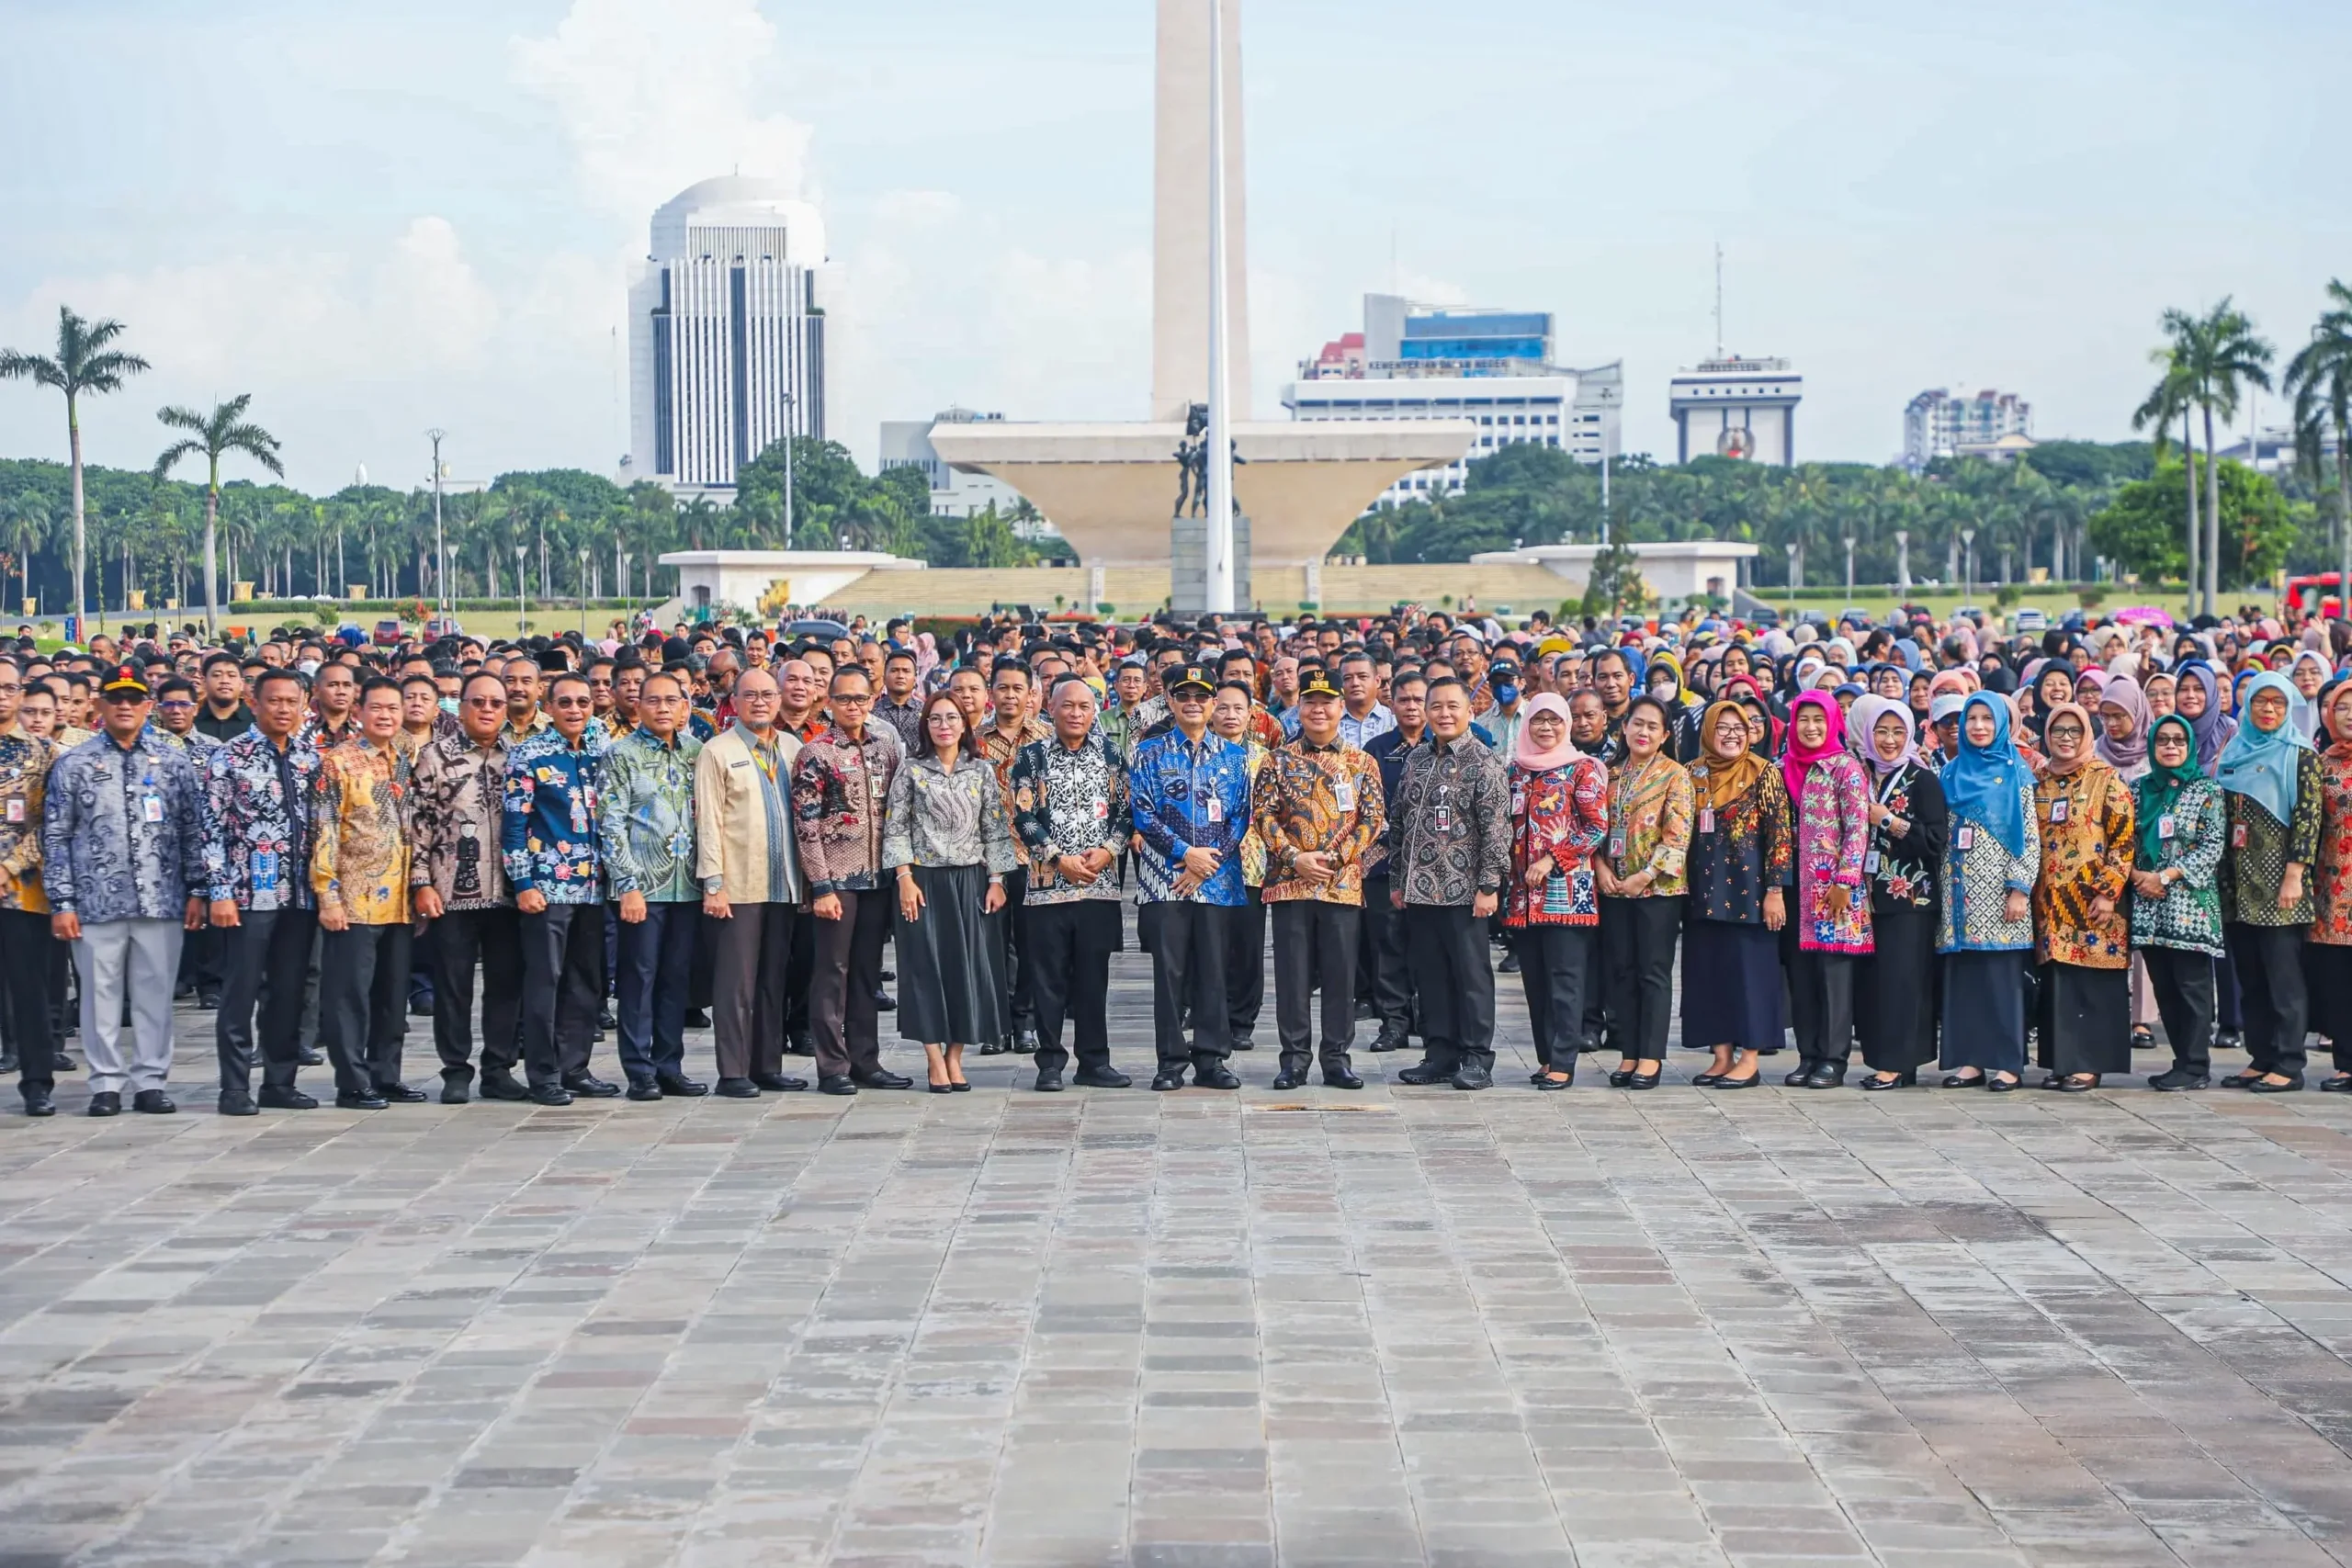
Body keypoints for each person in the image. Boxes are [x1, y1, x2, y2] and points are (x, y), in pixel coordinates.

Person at [41, 667, 209, 1116]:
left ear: (148, 704)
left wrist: (198, 888)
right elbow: (55, 837)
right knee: (99, 996)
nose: (125, 706)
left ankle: (151, 1080)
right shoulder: (74, 764)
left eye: (134, 698)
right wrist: (62, 901)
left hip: (162, 898)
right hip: (95, 903)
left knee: (155, 994)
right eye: (115, 698)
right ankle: (106, 1083)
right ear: (99, 705)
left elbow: (193, 830)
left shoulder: (172, 762)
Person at [1253, 668, 1386, 1090]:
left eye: (1326, 701)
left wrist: (1332, 858)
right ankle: (1293, 1059)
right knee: (1292, 976)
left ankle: (1336, 1057)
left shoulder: (1361, 762)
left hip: (1340, 885)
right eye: (1310, 701)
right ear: (1300, 707)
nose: (1318, 709)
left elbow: (1373, 819)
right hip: (1290, 883)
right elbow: (1263, 816)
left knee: (1339, 974)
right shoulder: (1278, 760)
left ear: (1340, 707)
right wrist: (1296, 857)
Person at [882, 690, 1016, 1093]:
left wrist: (997, 880)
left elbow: (995, 828)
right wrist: (904, 878)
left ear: (965, 724)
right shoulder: (910, 770)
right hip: (923, 883)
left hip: (971, 881)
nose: (944, 726)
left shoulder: (981, 771)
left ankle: (955, 1056)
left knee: (968, 968)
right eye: (936, 719)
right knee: (925, 968)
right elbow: (896, 827)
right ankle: (932, 1058)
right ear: (926, 725)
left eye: (952, 718)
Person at [203, 668, 322, 1115]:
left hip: (299, 896)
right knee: (241, 990)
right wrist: (219, 890)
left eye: (292, 701)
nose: (283, 709)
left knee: (289, 991)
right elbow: (210, 827)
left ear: (303, 705)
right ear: (254, 702)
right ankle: (234, 1087)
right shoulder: (228, 758)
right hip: (247, 894)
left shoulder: (311, 759)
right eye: (274, 700)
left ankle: (280, 1081)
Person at [1131, 663, 1251, 1091]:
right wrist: (1185, 855)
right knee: (1169, 975)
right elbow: (1142, 813)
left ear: (1214, 702)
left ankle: (1212, 1059)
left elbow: (1241, 816)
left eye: (1201, 696)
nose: (1193, 703)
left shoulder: (1236, 757)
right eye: (1184, 695)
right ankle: (1170, 1062)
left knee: (1214, 972)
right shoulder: (1150, 751)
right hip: (1165, 879)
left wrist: (1207, 864)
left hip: (1217, 882)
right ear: (1170, 700)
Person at [1007, 677, 1132, 1090]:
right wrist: (1058, 858)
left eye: (1084, 706)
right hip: (1046, 888)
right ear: (1051, 709)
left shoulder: (1113, 755)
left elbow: (1126, 811)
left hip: (1099, 885)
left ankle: (1094, 1061)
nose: (1076, 714)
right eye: (1067, 706)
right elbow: (1023, 816)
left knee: (1093, 979)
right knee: (1048, 978)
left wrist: (1108, 851)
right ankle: (1049, 1063)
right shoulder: (1031, 756)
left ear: (1095, 710)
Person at [1390, 676, 1511, 1089]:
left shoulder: (1483, 762)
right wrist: (1397, 878)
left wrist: (1490, 885)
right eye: (1436, 706)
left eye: (1452, 706)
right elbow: (1399, 822)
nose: (1444, 714)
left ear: (1470, 711)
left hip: (1466, 892)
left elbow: (1496, 829)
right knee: (1432, 976)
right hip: (1420, 891)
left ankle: (1477, 1057)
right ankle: (1440, 1053)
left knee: (1471, 977)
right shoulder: (1417, 759)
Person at [793, 665, 909, 1096]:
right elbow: (805, 826)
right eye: (844, 699)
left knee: (866, 975)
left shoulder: (885, 749)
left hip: (878, 880)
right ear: (829, 703)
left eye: (860, 699)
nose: (853, 706)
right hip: (837, 881)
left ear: (872, 700)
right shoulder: (816, 753)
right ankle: (832, 1065)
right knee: (831, 973)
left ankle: (866, 1060)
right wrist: (820, 886)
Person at [411, 670, 525, 1102]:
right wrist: (421, 882)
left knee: (505, 983)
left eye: (496, 703)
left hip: (510, 892)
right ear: (461, 709)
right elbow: (418, 825)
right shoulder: (434, 757)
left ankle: (498, 1068)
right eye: (478, 702)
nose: (488, 710)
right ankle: (455, 1070)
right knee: (454, 984)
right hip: (452, 892)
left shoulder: (518, 755)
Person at [693, 667, 808, 1098]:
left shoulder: (793, 749)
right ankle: (733, 1070)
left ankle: (767, 1065)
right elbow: (708, 820)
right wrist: (713, 883)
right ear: (735, 701)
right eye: (750, 695)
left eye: (767, 694)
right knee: (735, 984)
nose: (760, 702)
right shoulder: (717, 751)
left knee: (772, 981)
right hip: (736, 886)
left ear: (779, 700)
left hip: (783, 885)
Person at [503, 670, 612, 1106]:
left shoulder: (602, 754)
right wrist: (524, 882)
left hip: (592, 886)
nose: (574, 710)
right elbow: (513, 826)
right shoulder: (529, 754)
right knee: (544, 981)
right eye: (564, 702)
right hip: (547, 888)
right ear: (548, 708)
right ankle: (543, 1073)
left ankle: (576, 1067)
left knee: (586, 982)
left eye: (582, 702)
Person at [310, 678, 419, 1109]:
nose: (387, 716)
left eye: (394, 708)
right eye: (378, 708)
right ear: (360, 711)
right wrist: (327, 894)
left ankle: (385, 1074)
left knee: (392, 997)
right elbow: (324, 830)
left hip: (400, 899)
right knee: (349, 996)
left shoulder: (407, 759)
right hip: (354, 898)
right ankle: (352, 1081)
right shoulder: (338, 763)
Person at [598, 670, 707, 1100]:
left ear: (685, 706)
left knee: (676, 980)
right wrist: (627, 885)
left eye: (672, 701)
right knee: (638, 979)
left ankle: (669, 1064)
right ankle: (639, 1069)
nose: (663, 708)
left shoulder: (699, 753)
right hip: (641, 888)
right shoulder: (620, 754)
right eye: (654, 701)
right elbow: (611, 823)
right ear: (638, 707)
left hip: (688, 886)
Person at [2216, 671, 2321, 1091]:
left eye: (2278, 702)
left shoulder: (2299, 755)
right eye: (2261, 701)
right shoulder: (2233, 752)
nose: (2269, 709)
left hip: (2280, 883)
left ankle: (2289, 1062)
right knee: (2251, 975)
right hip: (2238, 883)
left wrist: (2295, 873)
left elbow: (2309, 819)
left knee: (2284, 977)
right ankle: (2261, 1056)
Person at [1680, 698, 1792, 1090]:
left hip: (1750, 892)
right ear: (1708, 730)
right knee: (1709, 972)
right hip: (1700, 890)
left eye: (1739, 728)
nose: (1731, 735)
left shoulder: (1763, 774)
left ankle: (1750, 1058)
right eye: (1723, 728)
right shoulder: (1691, 774)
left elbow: (1780, 836)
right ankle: (1721, 1054)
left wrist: (1775, 891)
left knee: (1751, 974)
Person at [1503, 693, 1609, 1089]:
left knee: (1565, 979)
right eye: (1538, 721)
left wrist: (1552, 859)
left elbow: (1595, 827)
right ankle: (1546, 1058)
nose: (1546, 728)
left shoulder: (1582, 769)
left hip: (1567, 892)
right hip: (1522, 896)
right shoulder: (1514, 771)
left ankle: (1565, 1061)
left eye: (1554, 721)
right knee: (1535, 982)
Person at [2030, 701, 2137, 1090]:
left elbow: (2124, 839)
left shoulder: (2105, 779)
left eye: (2075, 731)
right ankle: (2062, 1061)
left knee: (2093, 984)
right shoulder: (2039, 780)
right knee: (2059, 983)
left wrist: (2109, 892)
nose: (2066, 739)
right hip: (2050, 902)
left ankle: (2089, 1064)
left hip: (2092, 901)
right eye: (2058, 731)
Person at [1937, 693, 2041, 1091]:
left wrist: (2019, 888)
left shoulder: (2016, 773)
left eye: (1986, 719)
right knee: (1965, 982)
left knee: (2002, 983)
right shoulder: (1949, 773)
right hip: (1958, 893)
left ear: (2000, 725)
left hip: (1999, 894)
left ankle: (2008, 1063)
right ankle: (1970, 1061)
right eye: (1971, 719)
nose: (1978, 726)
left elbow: (2028, 837)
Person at [1594, 695, 1693, 1090]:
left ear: (1665, 734)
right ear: (1624, 727)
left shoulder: (1675, 775)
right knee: (1621, 971)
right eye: (1638, 724)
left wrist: (1647, 874)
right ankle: (1629, 1053)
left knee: (1653, 972)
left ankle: (1650, 1057)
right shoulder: (1609, 773)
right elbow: (1594, 828)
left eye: (1653, 726)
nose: (1644, 732)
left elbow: (1679, 834)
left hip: (1659, 891)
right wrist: (1601, 867)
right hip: (1613, 887)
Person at [1850, 694, 1946, 1089]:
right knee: (1873, 985)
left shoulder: (1921, 779)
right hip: (1863, 899)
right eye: (1881, 731)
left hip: (1910, 901)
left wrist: (1888, 820)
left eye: (1898, 732)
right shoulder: (1859, 774)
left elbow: (1936, 839)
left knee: (1904, 983)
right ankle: (1880, 1058)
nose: (1889, 740)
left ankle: (1900, 1062)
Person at [1779, 691, 1873, 1087]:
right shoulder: (1782, 767)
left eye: (1819, 719)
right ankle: (1808, 1054)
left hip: (1833, 889)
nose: (1811, 727)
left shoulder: (1845, 768)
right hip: (1791, 889)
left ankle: (1833, 1059)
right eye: (1804, 719)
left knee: (1834, 978)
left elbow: (1858, 826)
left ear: (1833, 721)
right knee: (1801, 979)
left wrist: (1845, 880)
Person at [2131, 714, 2226, 1090]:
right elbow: (2126, 842)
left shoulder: (2207, 791)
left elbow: (2211, 847)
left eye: (2178, 741)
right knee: (2165, 987)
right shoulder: (2139, 790)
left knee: (2192, 988)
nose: (2170, 747)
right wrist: (2139, 877)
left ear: (2189, 747)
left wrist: (2166, 877)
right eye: (2163, 740)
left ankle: (2197, 1065)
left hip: (2190, 905)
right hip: (2149, 905)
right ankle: (2180, 1062)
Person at [0, 663, 60, 1111]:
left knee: (28, 988)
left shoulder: (44, 754)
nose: (3, 696)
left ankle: (37, 1080)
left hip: (21, 891)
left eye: (9, 688)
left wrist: (9, 864)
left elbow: (51, 823)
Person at [1359, 671, 1429, 1054]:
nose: (1412, 707)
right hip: (1384, 861)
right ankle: (1394, 1022)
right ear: (1392, 703)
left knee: (1429, 946)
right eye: (1404, 700)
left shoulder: (1446, 744)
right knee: (1387, 945)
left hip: (1436, 868)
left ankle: (1432, 1021)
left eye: (1420, 700)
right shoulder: (1377, 747)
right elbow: (1367, 805)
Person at [1212, 681, 1271, 1052]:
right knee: (1210, 946)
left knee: (1247, 947)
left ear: (1250, 715)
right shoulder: (1199, 754)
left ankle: (1242, 1020)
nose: (1230, 715)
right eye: (1223, 708)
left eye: (1238, 708)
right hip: (1206, 867)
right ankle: (1210, 1014)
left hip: (1251, 866)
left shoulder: (1265, 758)